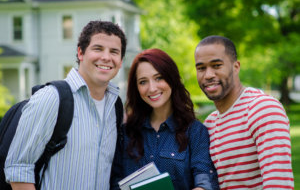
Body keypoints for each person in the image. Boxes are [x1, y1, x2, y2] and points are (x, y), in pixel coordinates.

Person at [5, 20, 127, 190]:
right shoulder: (52, 98)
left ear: (121, 61)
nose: (106, 57)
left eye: (114, 51)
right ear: (80, 53)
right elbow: (18, 169)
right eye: (98, 49)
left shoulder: (115, 107)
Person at [110, 48, 219, 190]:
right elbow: (114, 182)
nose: (152, 88)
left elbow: (204, 182)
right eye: (143, 82)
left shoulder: (195, 132)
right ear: (136, 88)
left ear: (171, 78)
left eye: (159, 78)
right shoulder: (125, 133)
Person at [194, 35, 294, 189]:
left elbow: (278, 184)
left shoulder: (262, 108)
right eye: (201, 68)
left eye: (217, 65)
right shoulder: (209, 123)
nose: (208, 75)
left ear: (236, 67)